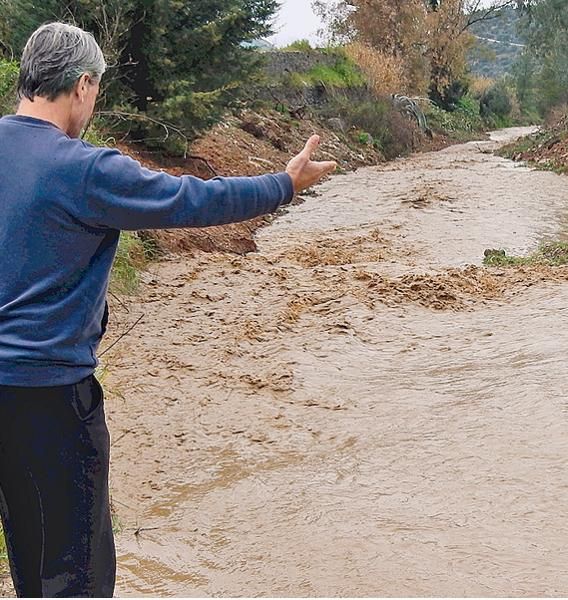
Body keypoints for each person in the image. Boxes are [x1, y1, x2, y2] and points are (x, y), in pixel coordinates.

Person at [0, 22, 337, 598]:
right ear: (82, 85)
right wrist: (285, 183)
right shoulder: (84, 170)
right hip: (51, 400)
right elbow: (191, 200)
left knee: (27, 555)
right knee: (73, 574)